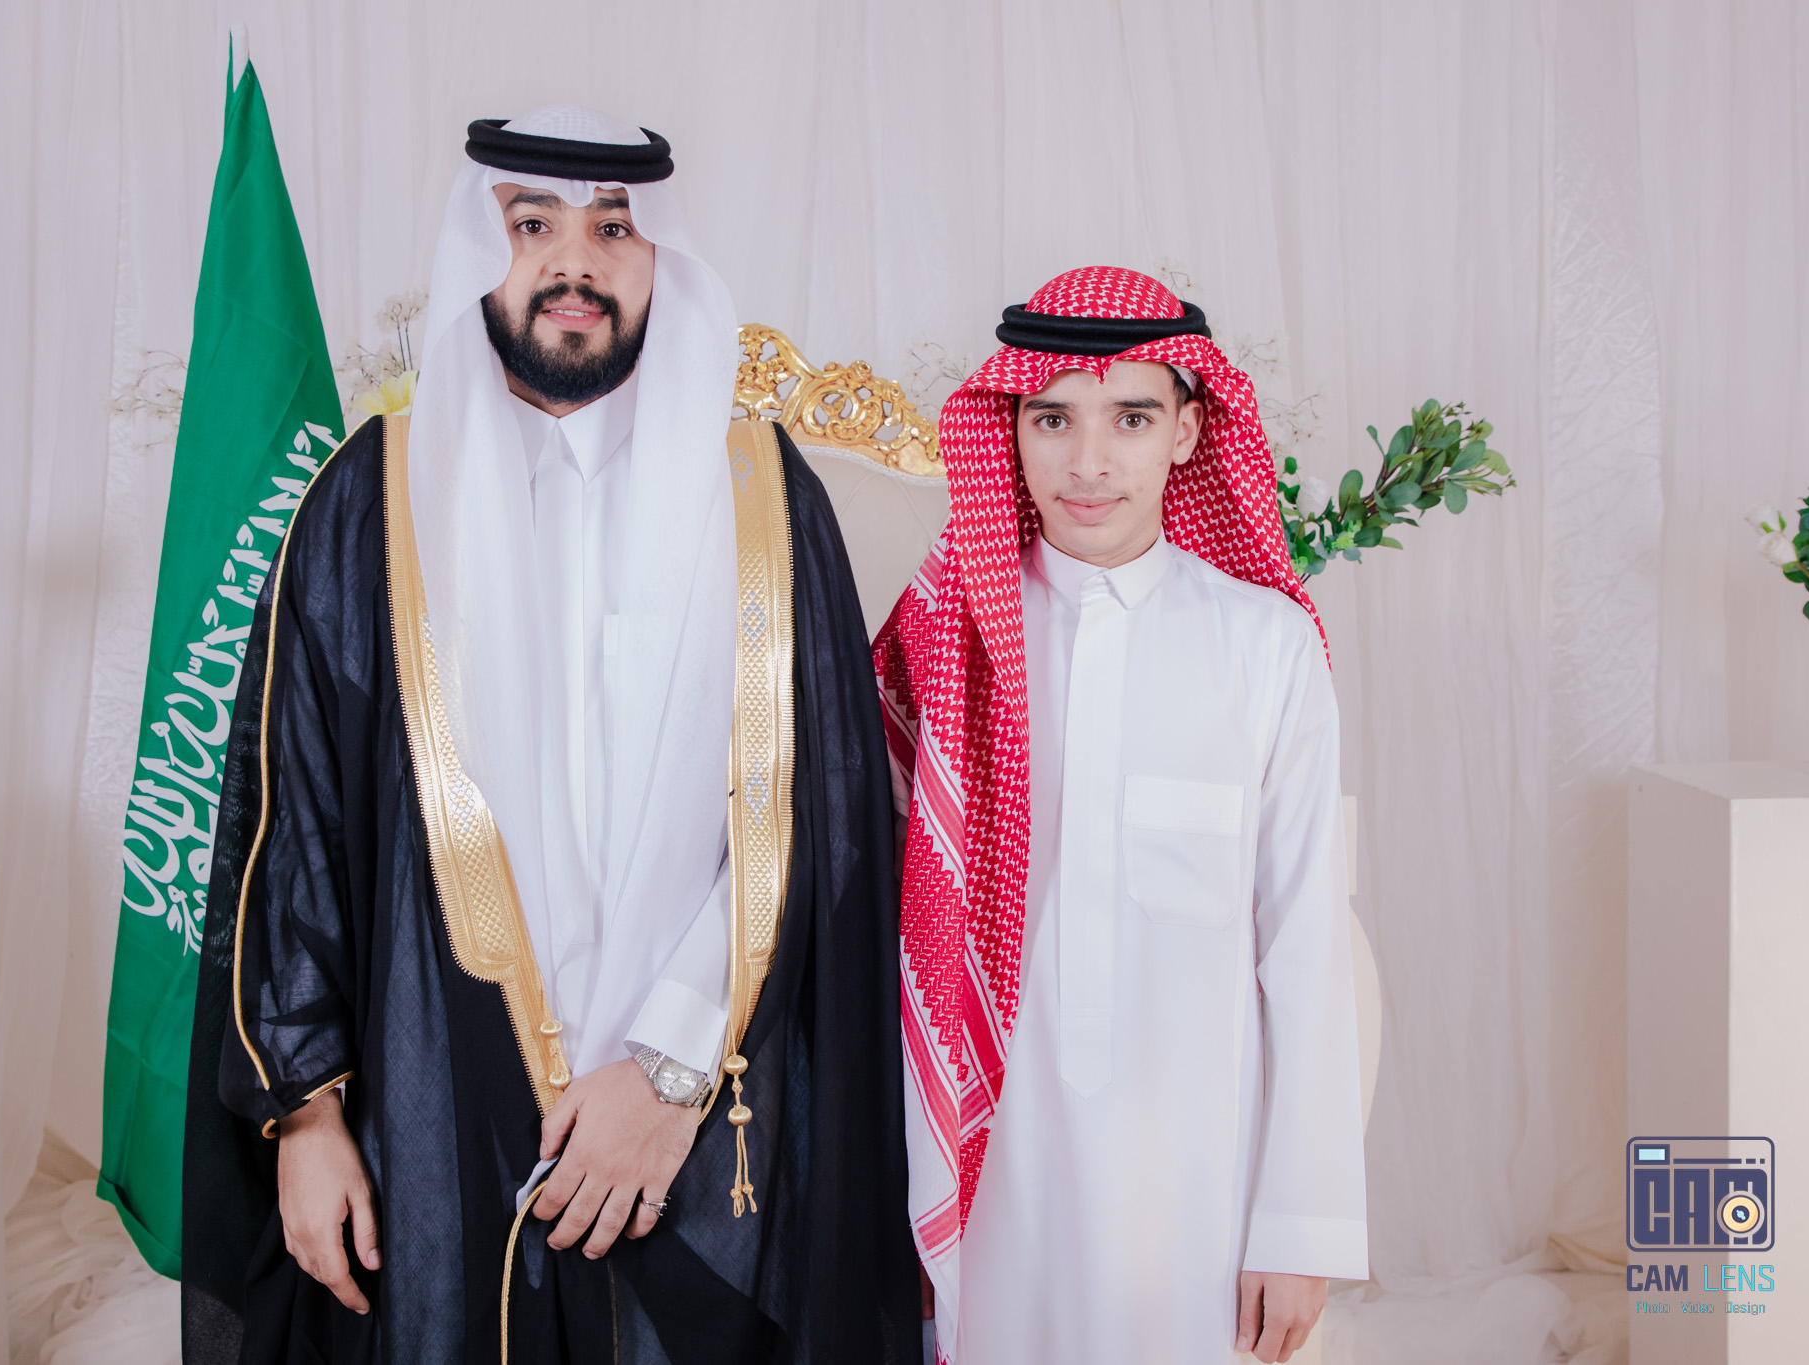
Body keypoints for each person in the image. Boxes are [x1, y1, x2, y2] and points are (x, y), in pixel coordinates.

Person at [180, 105, 920, 1365]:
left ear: (657, 257)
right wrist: (305, 1120)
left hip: (709, 1104)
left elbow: (823, 807)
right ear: (481, 249)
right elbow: (292, 826)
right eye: (532, 225)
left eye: (613, 229)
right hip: (432, 1096)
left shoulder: (761, 493)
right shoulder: (371, 500)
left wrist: (669, 1073)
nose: (574, 262)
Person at [876, 267, 1367, 1364]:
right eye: (1052, 419)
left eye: (1130, 419)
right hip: (983, 1160)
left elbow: (1304, 949)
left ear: (1187, 433)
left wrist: (1299, 1226)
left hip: (1193, 1175)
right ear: (1009, 431)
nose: (1088, 462)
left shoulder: (1265, 645)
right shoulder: (945, 639)